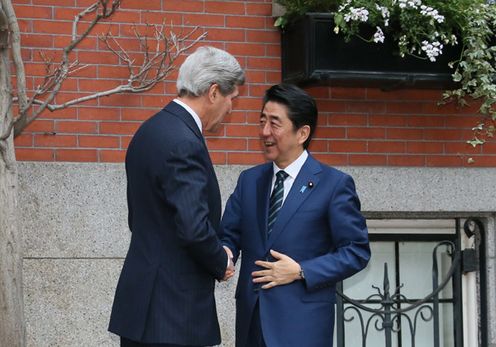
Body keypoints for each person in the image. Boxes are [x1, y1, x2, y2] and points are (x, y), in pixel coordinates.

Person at [108, 46, 245, 347]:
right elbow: (194, 228)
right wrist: (220, 260)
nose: (230, 108)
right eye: (231, 98)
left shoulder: (150, 130)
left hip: (142, 307)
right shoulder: (184, 142)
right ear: (213, 92)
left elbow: (142, 219)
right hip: (173, 313)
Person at [221, 83, 371, 347]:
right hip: (252, 324)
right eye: (262, 121)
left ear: (302, 133)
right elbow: (229, 235)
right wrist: (225, 253)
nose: (264, 132)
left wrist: (302, 270)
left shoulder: (334, 185)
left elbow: (356, 251)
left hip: (302, 328)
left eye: (275, 123)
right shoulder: (249, 180)